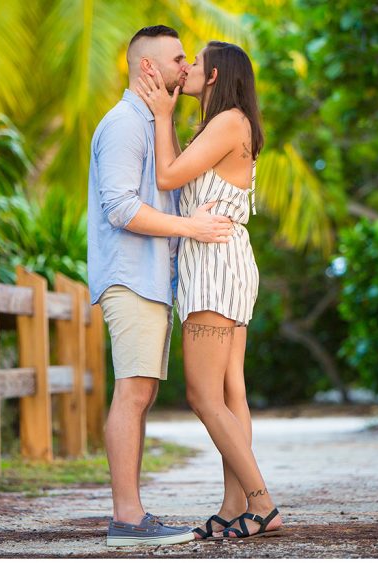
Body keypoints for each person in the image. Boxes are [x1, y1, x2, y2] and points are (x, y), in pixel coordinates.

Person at [87, 25, 235, 547]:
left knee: (141, 392)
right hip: (130, 276)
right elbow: (120, 207)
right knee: (132, 393)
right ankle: (127, 520)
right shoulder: (125, 124)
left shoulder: (151, 123)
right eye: (178, 59)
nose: (186, 67)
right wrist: (192, 227)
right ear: (148, 67)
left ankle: (132, 514)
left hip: (149, 278)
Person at [134, 40, 284, 540]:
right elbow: (182, 177)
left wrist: (161, 115)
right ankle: (234, 505)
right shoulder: (226, 123)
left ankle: (262, 504)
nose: (187, 68)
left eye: (195, 62)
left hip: (215, 264)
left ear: (215, 75)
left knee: (203, 395)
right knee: (229, 390)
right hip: (223, 258)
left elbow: (166, 175)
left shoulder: (228, 122)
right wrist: (171, 119)